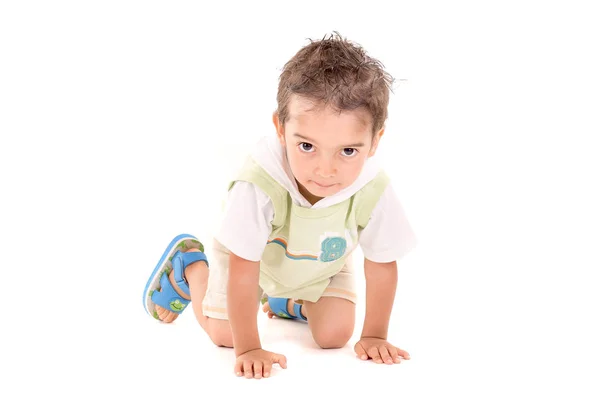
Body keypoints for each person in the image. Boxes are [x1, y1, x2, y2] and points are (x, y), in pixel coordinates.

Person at [142, 32, 417, 379]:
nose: (325, 170)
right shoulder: (260, 183)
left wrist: (375, 334)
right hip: (252, 260)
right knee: (225, 335)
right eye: (307, 146)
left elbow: (381, 262)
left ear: (374, 141)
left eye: (348, 151)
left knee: (334, 336)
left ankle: (287, 300)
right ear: (280, 128)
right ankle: (191, 268)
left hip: (321, 262)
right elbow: (244, 266)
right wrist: (249, 346)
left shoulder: (373, 187)